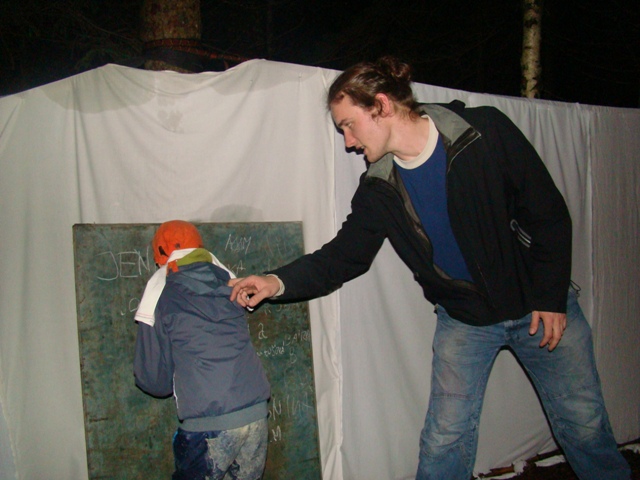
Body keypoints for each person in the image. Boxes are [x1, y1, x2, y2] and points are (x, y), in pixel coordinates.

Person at [229, 57, 631, 479]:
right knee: (444, 440)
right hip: (465, 320)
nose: (348, 141)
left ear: (381, 105)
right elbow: (344, 256)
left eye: (349, 125)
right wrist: (276, 281)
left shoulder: (483, 132)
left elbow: (547, 213)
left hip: (538, 306)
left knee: (584, 426)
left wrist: (550, 297)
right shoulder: (379, 187)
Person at [133, 220, 270, 480]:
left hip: (209, 423)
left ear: (161, 253)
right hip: (256, 414)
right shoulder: (230, 283)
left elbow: (154, 381)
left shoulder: (162, 295)